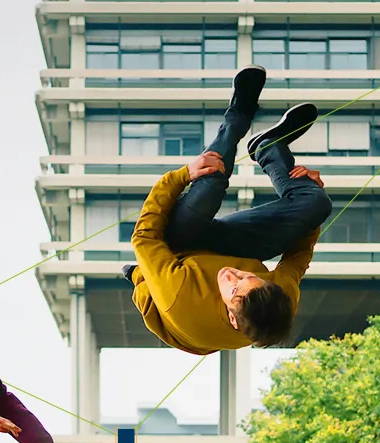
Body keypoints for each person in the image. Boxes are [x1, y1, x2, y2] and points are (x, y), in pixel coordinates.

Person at [125, 65, 332, 355]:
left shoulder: (180, 295)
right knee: (318, 205)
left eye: (234, 289)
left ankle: (238, 115)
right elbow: (297, 258)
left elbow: (144, 238)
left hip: (177, 253)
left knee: (209, 182)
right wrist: (310, 194)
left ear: (232, 318)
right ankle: (269, 147)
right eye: (250, 277)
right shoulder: (277, 299)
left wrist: (182, 174)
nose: (233, 275)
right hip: (224, 247)